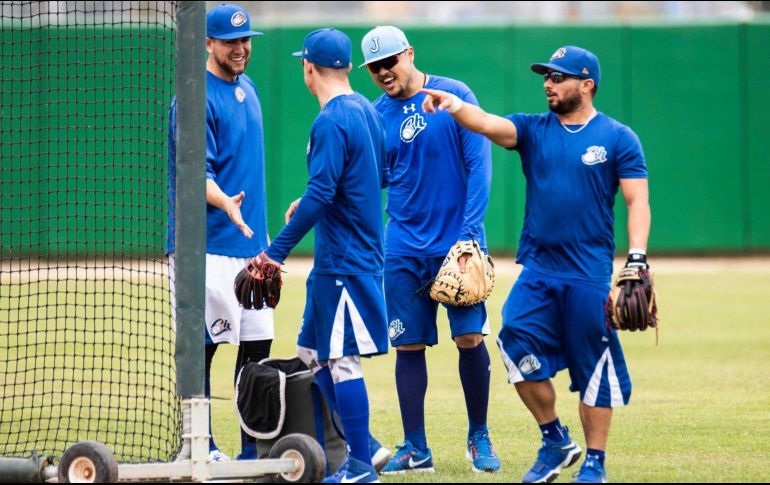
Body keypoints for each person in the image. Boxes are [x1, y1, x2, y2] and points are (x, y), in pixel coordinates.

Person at [422, 45, 652, 483]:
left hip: (587, 274)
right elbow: (489, 124)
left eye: (559, 76)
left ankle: (595, 465)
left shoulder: (618, 137)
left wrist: (636, 257)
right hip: (538, 271)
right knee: (513, 343)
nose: (548, 83)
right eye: (546, 75)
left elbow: (636, 199)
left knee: (594, 370)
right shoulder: (533, 130)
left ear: (587, 84)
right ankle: (555, 440)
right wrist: (454, 105)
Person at [359, 26, 500, 474]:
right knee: (408, 345)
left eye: (390, 61)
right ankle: (416, 447)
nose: (383, 72)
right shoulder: (375, 115)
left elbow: (479, 165)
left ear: (409, 54)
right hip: (402, 247)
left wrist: (471, 236)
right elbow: (372, 178)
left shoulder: (453, 94)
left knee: (469, 338)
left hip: (454, 245)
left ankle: (479, 436)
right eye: (375, 67)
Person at [261, 28, 389, 483]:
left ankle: (359, 466)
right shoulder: (369, 113)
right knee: (310, 355)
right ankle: (368, 447)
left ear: (308, 68)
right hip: (348, 256)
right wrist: (321, 197)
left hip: (345, 260)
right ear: (350, 66)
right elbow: (378, 175)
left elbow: (323, 191)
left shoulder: (332, 119)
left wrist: (274, 254)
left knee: (341, 361)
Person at [167, 3, 272, 462]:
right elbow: (195, 172)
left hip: (251, 247)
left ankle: (252, 447)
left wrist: (264, 244)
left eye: (245, 39)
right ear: (207, 43)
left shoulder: (249, 88)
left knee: (257, 351)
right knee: (206, 349)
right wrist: (225, 201)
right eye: (230, 41)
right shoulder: (193, 97)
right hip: (205, 247)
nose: (241, 48)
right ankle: (200, 445)